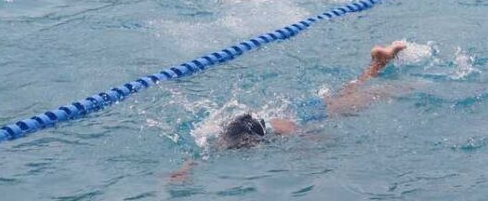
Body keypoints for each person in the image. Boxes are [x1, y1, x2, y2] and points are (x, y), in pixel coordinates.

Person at [168, 41, 407, 182]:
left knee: (355, 99)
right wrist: (184, 170)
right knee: (345, 92)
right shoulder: (226, 138)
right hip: (304, 110)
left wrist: (310, 142)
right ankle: (379, 63)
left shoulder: (269, 127)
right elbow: (200, 155)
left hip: (315, 113)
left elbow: (296, 129)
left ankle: (382, 67)